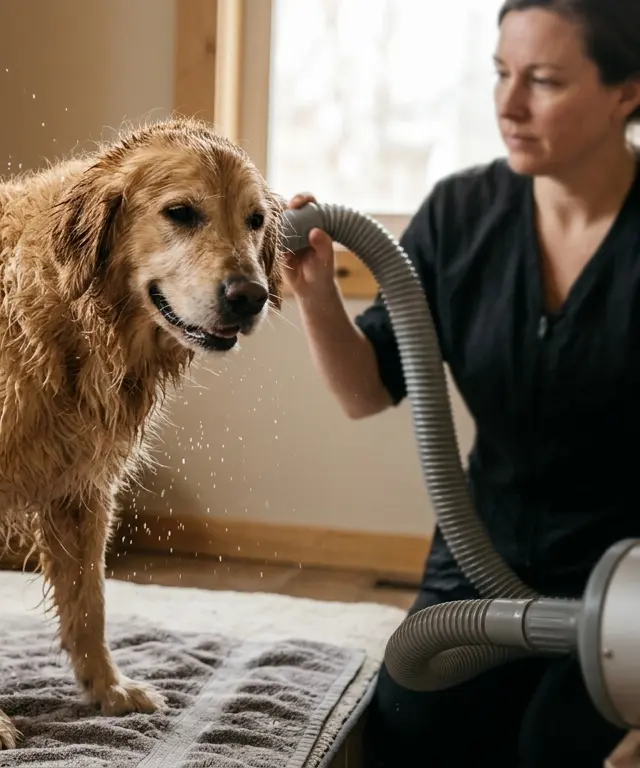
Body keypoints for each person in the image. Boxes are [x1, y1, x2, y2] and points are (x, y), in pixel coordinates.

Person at [280, 1, 640, 766]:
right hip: (482, 552)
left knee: (556, 748)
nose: (508, 105)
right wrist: (314, 294)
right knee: (414, 729)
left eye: (543, 81)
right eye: (502, 74)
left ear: (627, 90)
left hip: (628, 577)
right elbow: (364, 391)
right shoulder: (460, 212)